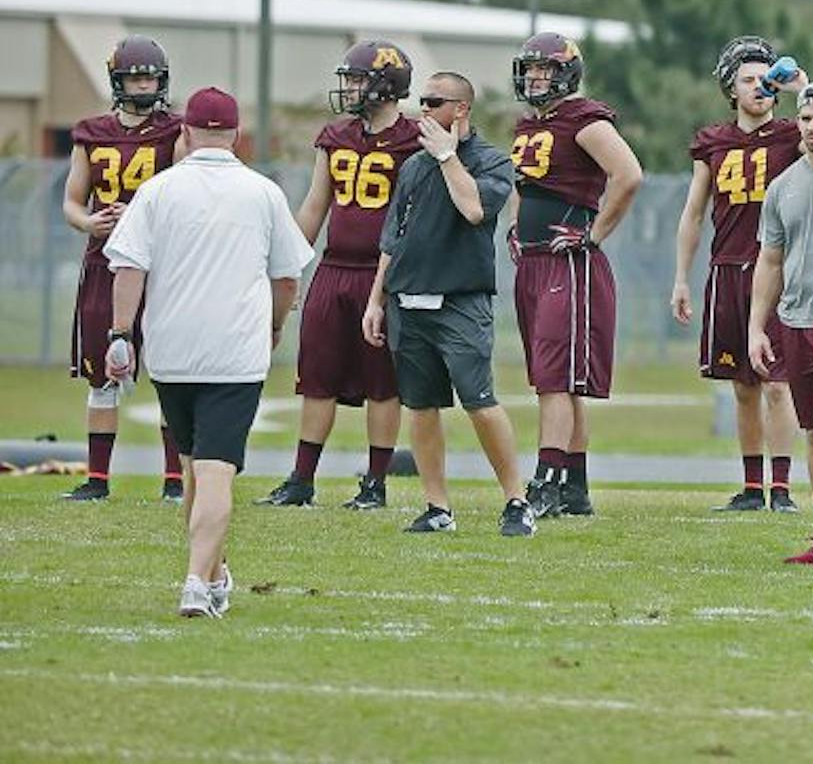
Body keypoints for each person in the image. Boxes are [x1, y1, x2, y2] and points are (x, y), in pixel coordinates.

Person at [100, 87, 312, 618]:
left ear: (187, 132)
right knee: (215, 472)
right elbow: (287, 277)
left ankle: (214, 574)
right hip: (234, 352)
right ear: (236, 135)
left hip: (172, 350)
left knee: (195, 468)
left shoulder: (158, 191)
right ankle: (197, 581)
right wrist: (275, 325)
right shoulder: (262, 192)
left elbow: (128, 267)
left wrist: (119, 334)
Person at [361, 73, 534, 538]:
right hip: (407, 301)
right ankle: (437, 506)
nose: (423, 110)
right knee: (420, 406)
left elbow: (475, 209)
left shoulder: (492, 162)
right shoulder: (413, 167)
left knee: (479, 401)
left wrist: (447, 156)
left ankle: (517, 501)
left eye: (433, 102)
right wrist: (376, 300)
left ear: (460, 109)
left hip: (460, 301)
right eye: (422, 100)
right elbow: (392, 240)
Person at [263, 42, 423, 510]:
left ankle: (375, 483)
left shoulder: (415, 140)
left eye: (358, 79)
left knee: (382, 383)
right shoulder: (335, 136)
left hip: (383, 276)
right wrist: (288, 265)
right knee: (317, 377)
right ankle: (301, 479)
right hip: (333, 270)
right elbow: (316, 205)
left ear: (387, 85)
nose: (350, 89)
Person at [506, 32, 643, 518]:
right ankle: (575, 488)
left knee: (554, 382)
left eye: (544, 69)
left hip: (569, 262)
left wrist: (594, 234)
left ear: (566, 72)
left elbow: (629, 175)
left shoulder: (584, 120)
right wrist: (514, 227)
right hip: (536, 260)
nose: (535, 77)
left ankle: (545, 483)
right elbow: (526, 186)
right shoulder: (530, 125)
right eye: (530, 69)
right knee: (558, 379)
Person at [672, 35, 805, 512]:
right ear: (731, 89)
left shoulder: (794, 133)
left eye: (765, 78)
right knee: (742, 385)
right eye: (748, 79)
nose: (758, 87)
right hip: (727, 268)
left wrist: (800, 89)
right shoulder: (713, 140)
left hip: (777, 272)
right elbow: (693, 212)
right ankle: (752, 487)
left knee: (776, 382)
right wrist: (682, 277)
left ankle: (783, 489)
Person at [59, 35, 188, 502]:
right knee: (103, 374)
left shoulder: (176, 131)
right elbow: (72, 202)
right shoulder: (90, 132)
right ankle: (97, 480)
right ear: (118, 79)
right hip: (105, 262)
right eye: (135, 76)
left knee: (170, 372)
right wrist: (89, 223)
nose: (144, 84)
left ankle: (174, 481)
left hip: (159, 266)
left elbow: (181, 195)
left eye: (150, 76)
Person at [746, 81, 813, 563]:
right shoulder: (782, 185)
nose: (812, 127)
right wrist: (756, 327)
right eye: (806, 118)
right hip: (796, 319)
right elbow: (770, 260)